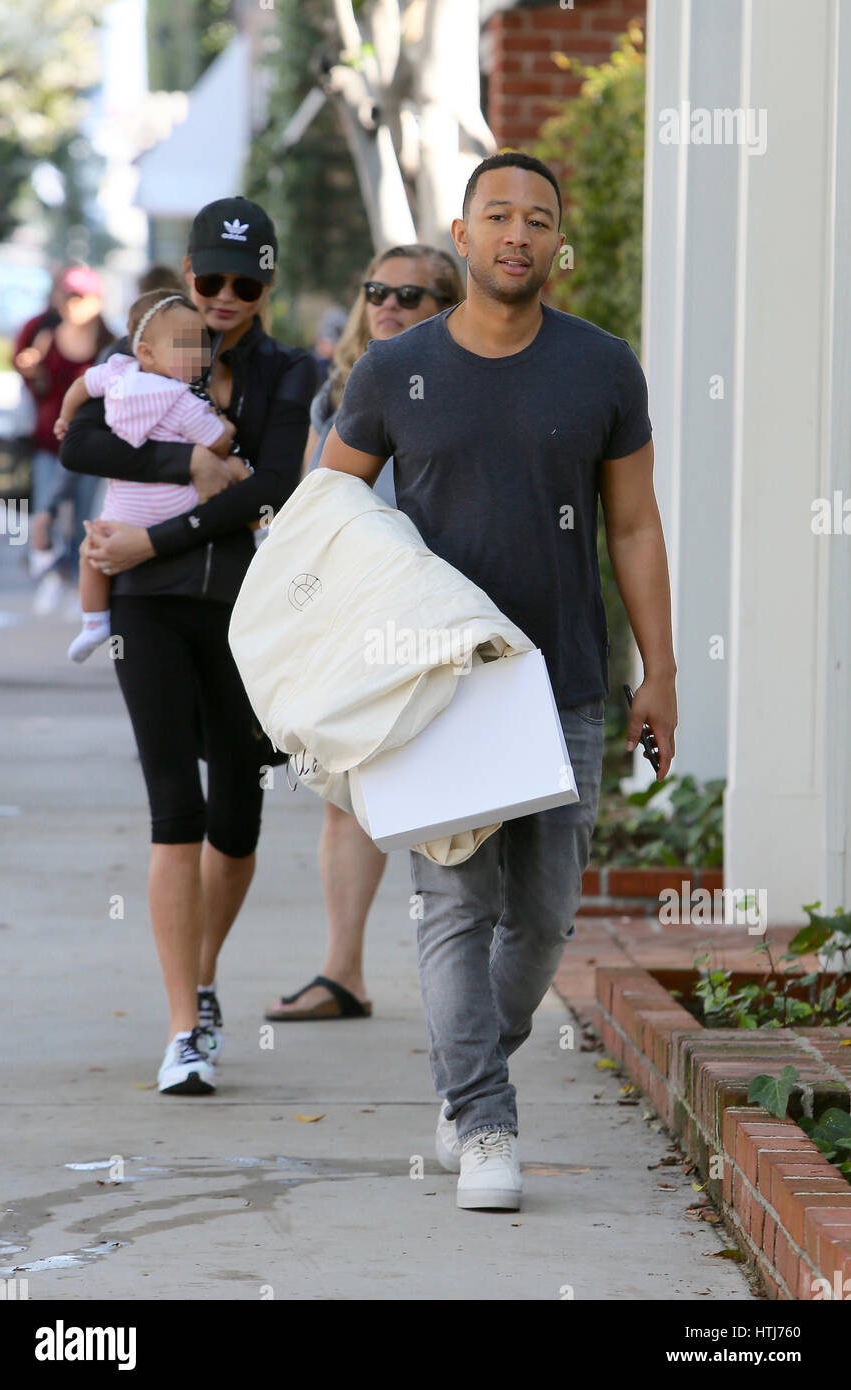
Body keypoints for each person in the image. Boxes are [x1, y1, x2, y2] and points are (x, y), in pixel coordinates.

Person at [318, 151, 678, 1211]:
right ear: (463, 236)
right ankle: (481, 1120)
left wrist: (659, 669)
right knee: (453, 906)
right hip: (439, 685)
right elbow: (328, 518)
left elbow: (632, 523)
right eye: (496, 216)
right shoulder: (393, 369)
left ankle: (466, 1064)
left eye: (537, 219)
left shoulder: (602, 367)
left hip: (564, 677)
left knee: (544, 917)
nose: (517, 233)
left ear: (553, 245)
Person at [59, 196, 318, 1095]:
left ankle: (203, 977)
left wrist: (153, 537)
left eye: (246, 284)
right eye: (212, 279)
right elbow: (80, 442)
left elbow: (276, 484)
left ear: (267, 284)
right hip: (149, 609)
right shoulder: (148, 344)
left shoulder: (289, 373)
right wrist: (187, 467)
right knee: (176, 809)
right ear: (190, 273)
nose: (225, 298)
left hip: (246, 613)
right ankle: (182, 1029)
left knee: (238, 814)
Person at [265, 243, 464, 1024]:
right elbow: (315, 506)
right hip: (359, 612)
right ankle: (342, 972)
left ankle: (463, 988)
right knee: (344, 792)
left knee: (451, 795)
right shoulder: (338, 392)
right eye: (376, 290)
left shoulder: (465, 383)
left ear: (446, 306)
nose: (387, 304)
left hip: (448, 609)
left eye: (410, 296)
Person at [53, 291, 238, 662]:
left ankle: (93, 623)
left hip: (125, 508)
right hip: (176, 505)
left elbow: (79, 387)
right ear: (150, 353)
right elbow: (216, 444)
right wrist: (225, 426)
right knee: (236, 470)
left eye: (202, 345)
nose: (200, 355)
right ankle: (261, 530)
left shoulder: (116, 373)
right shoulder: (182, 399)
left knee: (91, 552)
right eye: (189, 347)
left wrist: (65, 417)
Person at [15, 266, 113, 609]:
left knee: (84, 515)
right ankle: (53, 573)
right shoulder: (46, 335)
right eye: (68, 296)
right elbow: (37, 388)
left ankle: (76, 578)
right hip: (48, 442)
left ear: (96, 301)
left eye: (80, 297)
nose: (72, 304)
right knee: (46, 510)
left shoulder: (108, 344)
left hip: (90, 445)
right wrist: (31, 372)